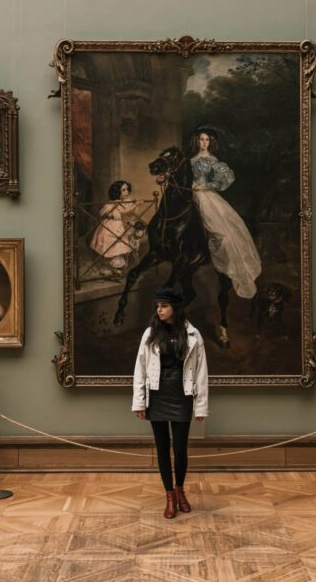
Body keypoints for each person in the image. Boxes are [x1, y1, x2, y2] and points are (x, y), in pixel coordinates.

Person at [132, 287, 209, 519]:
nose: (159, 310)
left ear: (175, 308)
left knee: (181, 450)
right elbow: (140, 369)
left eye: (164, 306)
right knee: (163, 449)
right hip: (157, 396)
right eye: (157, 306)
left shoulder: (193, 335)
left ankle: (181, 491)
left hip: (182, 395)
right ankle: (169, 496)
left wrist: (201, 405)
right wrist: (140, 403)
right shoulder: (150, 334)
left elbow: (201, 372)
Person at [188, 128, 261, 299]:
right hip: (189, 193)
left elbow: (227, 179)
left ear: (210, 142)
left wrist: (205, 186)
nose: (204, 142)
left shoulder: (213, 160)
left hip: (205, 195)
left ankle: (228, 265)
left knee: (220, 231)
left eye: (207, 139)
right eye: (201, 139)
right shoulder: (190, 160)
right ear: (196, 141)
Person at [88, 180, 143, 273]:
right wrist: (135, 205)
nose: (127, 192)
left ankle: (116, 269)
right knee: (111, 246)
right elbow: (123, 211)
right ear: (117, 192)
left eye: (127, 189)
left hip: (118, 227)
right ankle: (111, 268)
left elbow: (130, 212)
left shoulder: (123, 202)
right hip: (109, 228)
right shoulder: (112, 203)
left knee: (118, 247)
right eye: (124, 190)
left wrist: (134, 204)